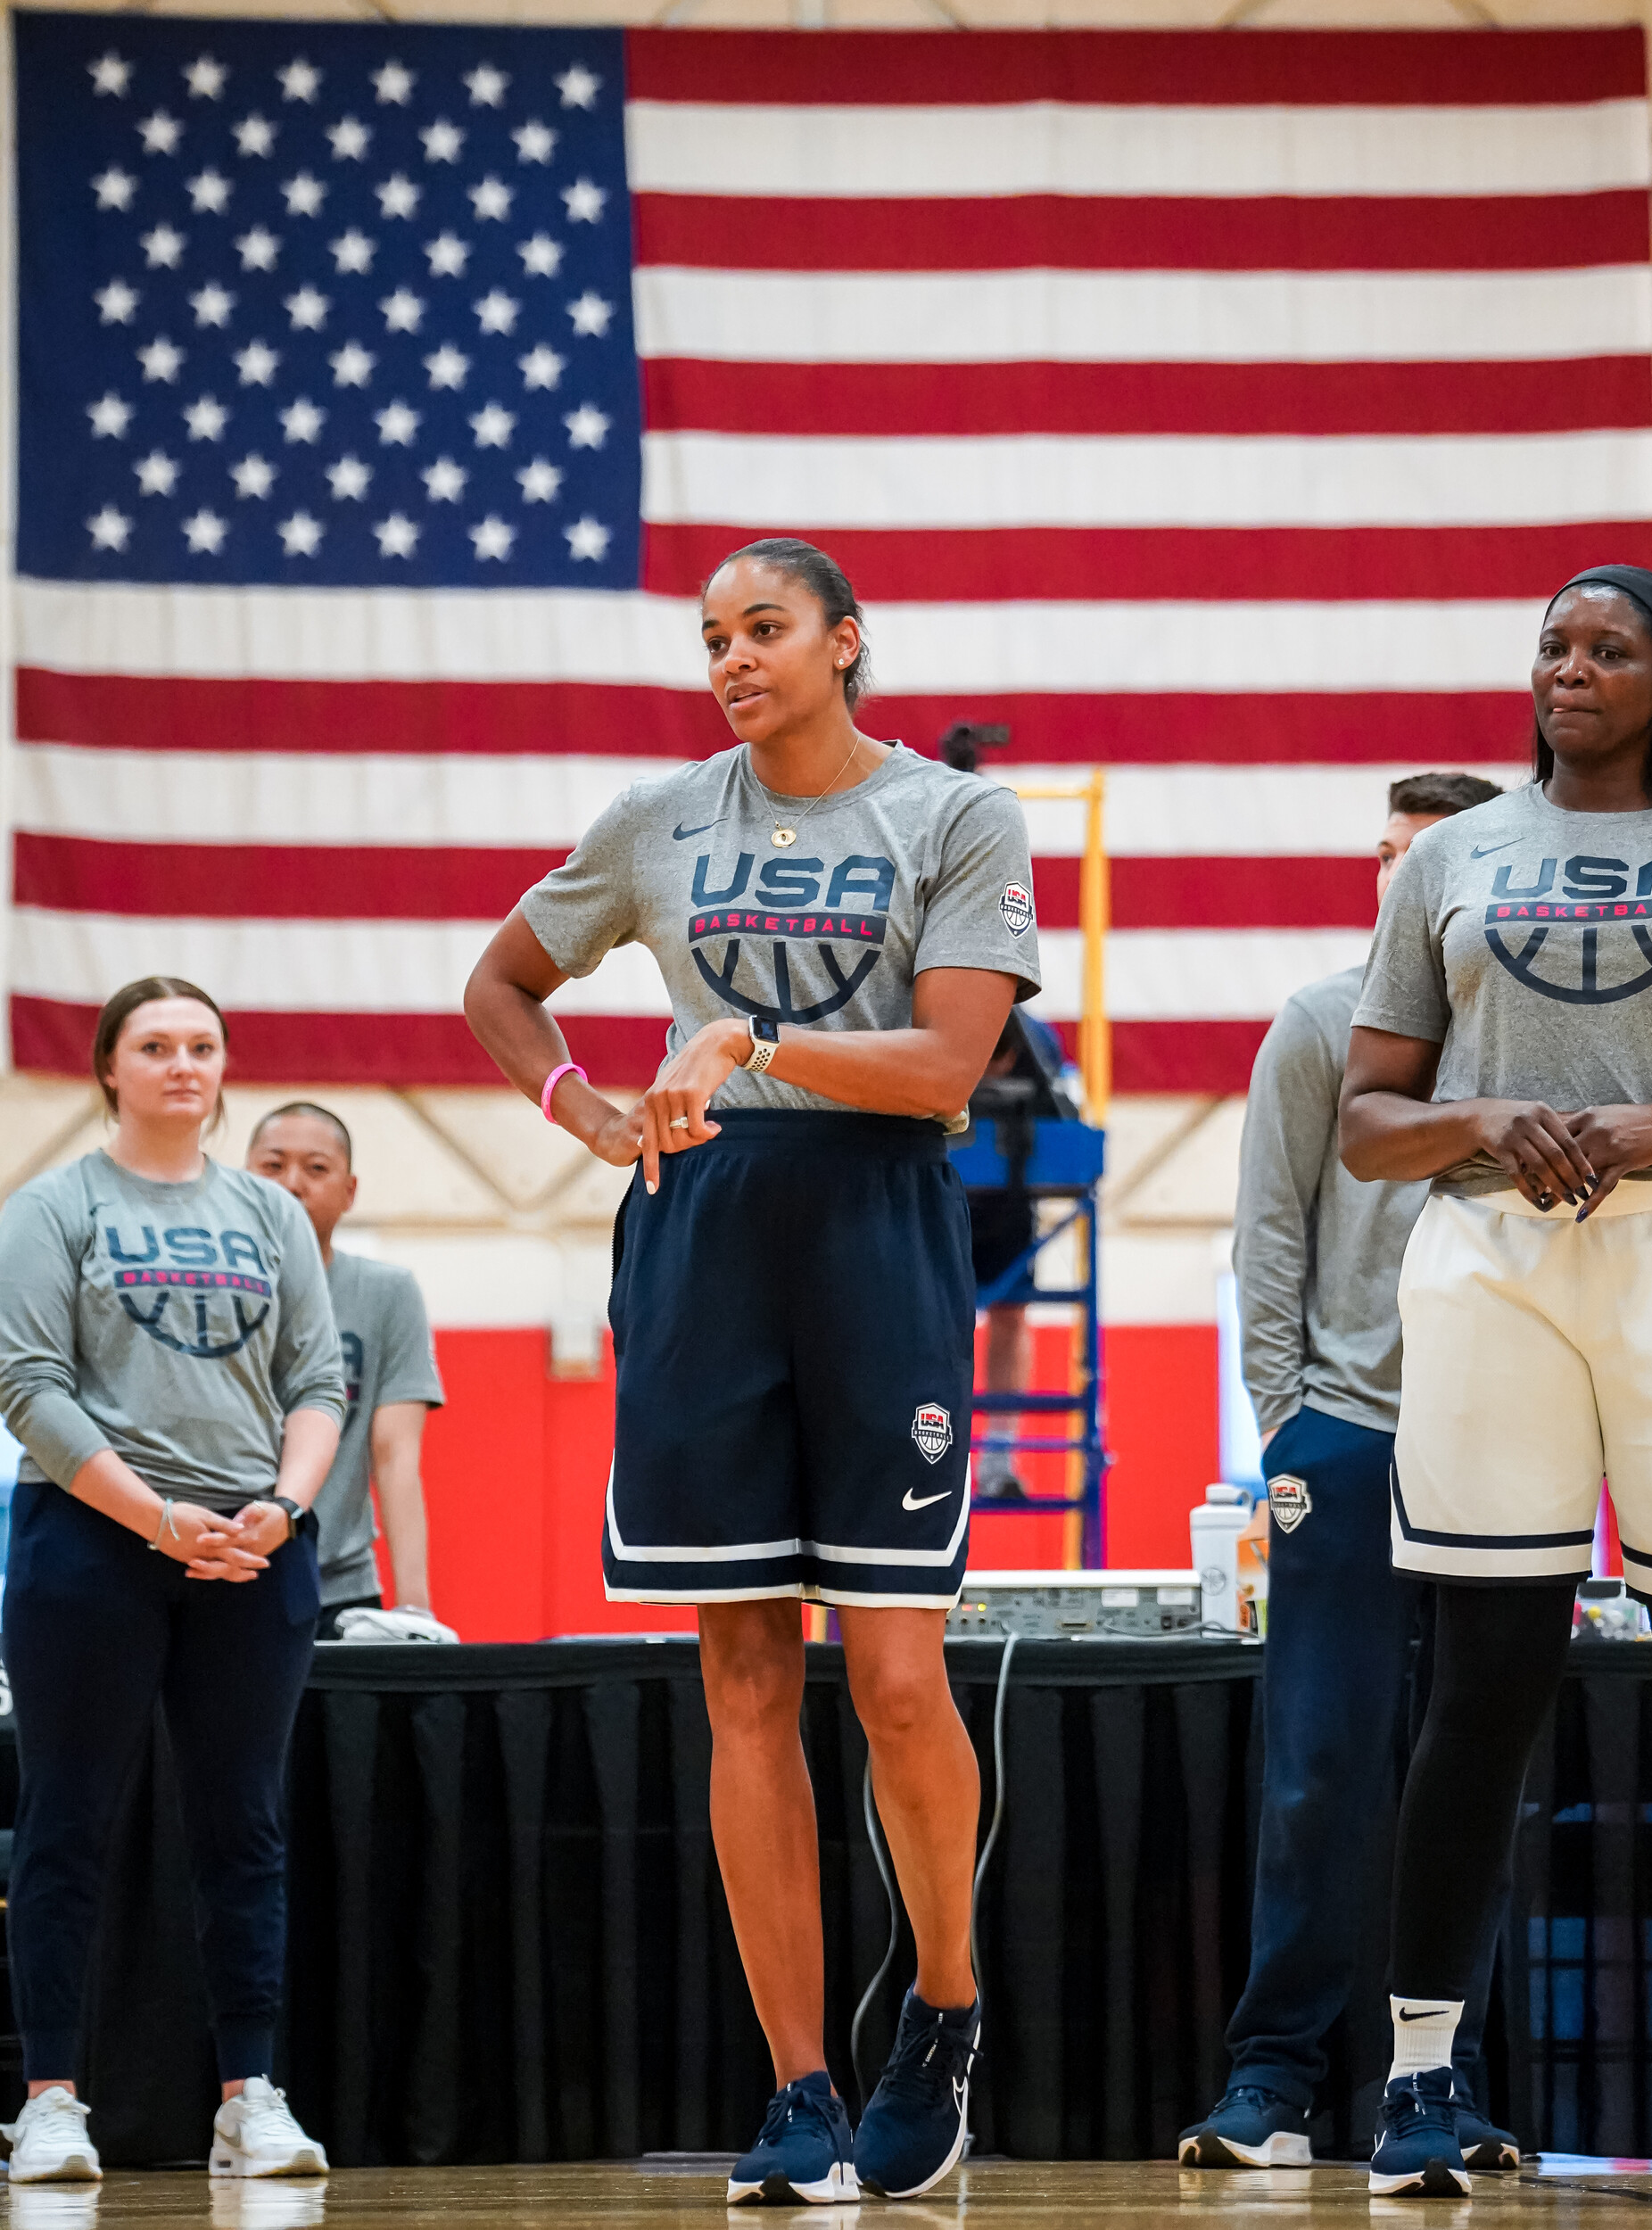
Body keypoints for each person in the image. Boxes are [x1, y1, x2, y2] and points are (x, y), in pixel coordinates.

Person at [464, 537, 1042, 2205]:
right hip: (701, 1228)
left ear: (845, 643)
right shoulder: (658, 821)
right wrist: (589, 1110)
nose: (731, 657)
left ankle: (943, 2011)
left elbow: (945, 1061)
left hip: (876, 1226)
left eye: (764, 628)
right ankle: (796, 2080)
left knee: (896, 1678)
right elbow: (502, 985)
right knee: (738, 1676)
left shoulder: (951, 817)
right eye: (713, 636)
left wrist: (750, 1039)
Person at [1339, 565, 1652, 2201]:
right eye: (1553, 646)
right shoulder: (1452, 857)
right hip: (1492, 1263)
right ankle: (1417, 2087)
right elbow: (1369, 1118)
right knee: (1481, 1684)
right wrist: (1482, 1119)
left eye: (1609, 650)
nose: (1570, 669)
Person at [1179, 772, 1514, 2175]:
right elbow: (1267, 1245)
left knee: (1472, 1777)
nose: (1390, 880)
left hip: (1507, 1446)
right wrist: (1291, 1428)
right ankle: (1272, 2079)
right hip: (1348, 1439)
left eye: (1419, 858)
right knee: (1319, 1767)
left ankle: (1436, 2089)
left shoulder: (1538, 1038)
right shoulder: (1320, 1023)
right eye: (1380, 856)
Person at [0, 978, 343, 2183]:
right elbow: (31, 1390)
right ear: (109, 1068)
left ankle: (250, 2097)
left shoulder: (269, 1212)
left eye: (202, 1046)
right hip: (90, 1545)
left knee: (242, 1828)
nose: (182, 1065)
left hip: (252, 1552)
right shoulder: (53, 1206)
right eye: (155, 1047)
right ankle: (49, 2101)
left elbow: (319, 1384)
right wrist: (155, 1520)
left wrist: (285, 1506)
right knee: (67, 1822)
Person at [244, 1103, 444, 1638]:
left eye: (315, 1168)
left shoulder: (387, 1293)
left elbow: (396, 1454)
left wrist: (415, 1609)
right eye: (272, 1166)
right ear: (243, 1183)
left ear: (349, 1190)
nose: (292, 1184)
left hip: (339, 1587)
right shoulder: (209, 1292)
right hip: (220, 1571)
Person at [965, 1006, 1073, 1501]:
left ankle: (998, 1458)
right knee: (940, 1320)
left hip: (1009, 1202)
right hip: (939, 1196)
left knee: (1010, 1317)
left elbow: (1068, 1121)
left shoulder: (1039, 1038)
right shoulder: (927, 1015)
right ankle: (930, 1457)